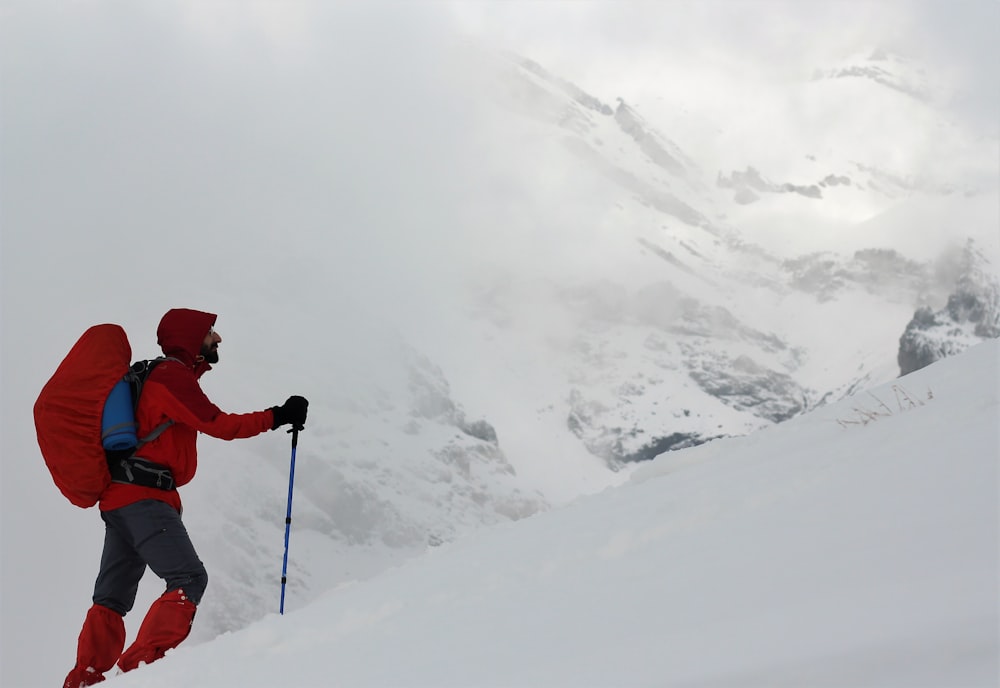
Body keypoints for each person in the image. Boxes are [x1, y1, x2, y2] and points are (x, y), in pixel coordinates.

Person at [63, 308, 308, 688]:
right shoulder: (171, 377)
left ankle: (85, 678)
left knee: (111, 597)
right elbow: (219, 425)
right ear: (192, 338)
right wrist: (277, 415)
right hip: (144, 497)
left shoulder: (154, 376)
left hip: (120, 498)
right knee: (189, 576)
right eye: (211, 331)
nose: (217, 339)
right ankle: (140, 670)